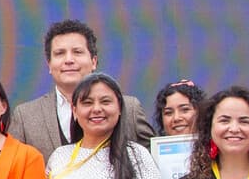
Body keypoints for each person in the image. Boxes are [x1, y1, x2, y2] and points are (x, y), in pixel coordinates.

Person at [12, 19, 156, 157]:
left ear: (94, 61)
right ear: (49, 64)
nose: (69, 60)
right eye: (60, 53)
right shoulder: (25, 116)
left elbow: (155, 158)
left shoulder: (129, 108)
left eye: (77, 52)